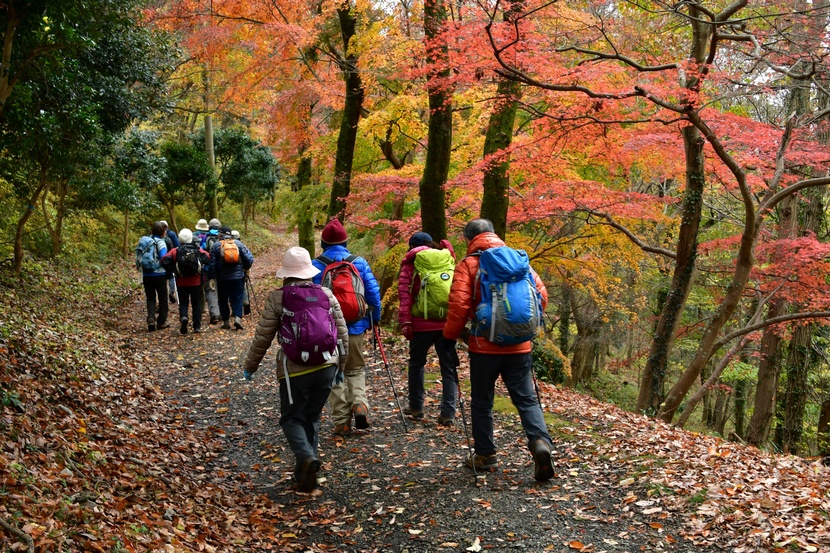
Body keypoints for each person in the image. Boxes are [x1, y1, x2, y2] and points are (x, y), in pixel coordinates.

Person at [442, 218, 555, 482]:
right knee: (526, 399)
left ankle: (485, 454)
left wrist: (449, 338)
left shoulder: (469, 264)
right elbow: (542, 297)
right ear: (494, 234)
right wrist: (521, 327)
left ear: (469, 240)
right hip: (520, 347)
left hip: (484, 347)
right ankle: (540, 443)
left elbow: (458, 306)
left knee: (482, 401)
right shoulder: (519, 261)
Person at [242, 247, 349, 493]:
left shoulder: (278, 297)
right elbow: (341, 334)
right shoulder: (326, 294)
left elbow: (263, 337)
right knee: (311, 416)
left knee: (291, 418)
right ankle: (305, 474)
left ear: (287, 273)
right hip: (326, 366)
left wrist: (250, 367)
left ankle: (306, 458)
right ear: (309, 272)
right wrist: (340, 367)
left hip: (295, 370)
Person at [311, 218, 382, 436]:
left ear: (323, 243)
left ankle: (342, 421)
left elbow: (311, 299)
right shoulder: (358, 262)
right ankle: (359, 403)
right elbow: (373, 294)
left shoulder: (315, 265)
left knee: (334, 373)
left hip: (327, 330)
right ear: (346, 241)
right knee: (355, 369)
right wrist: (374, 319)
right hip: (355, 326)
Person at [398, 231, 458, 425]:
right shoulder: (447, 259)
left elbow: (405, 297)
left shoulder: (410, 264)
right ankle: (448, 413)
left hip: (420, 323)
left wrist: (405, 322)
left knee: (416, 364)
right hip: (446, 323)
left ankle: (416, 408)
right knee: (448, 368)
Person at [161, 228, 210, 334]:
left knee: (183, 303)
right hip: (196, 282)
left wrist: (172, 270)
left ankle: (184, 317)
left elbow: (164, 260)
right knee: (196, 304)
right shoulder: (197, 249)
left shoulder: (176, 251)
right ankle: (197, 326)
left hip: (181, 281)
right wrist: (201, 265)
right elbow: (207, 257)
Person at [210, 225, 254, 330]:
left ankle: (226, 321)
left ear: (220, 234)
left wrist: (212, 278)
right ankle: (238, 318)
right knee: (237, 297)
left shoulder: (216, 246)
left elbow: (212, 264)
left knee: (223, 299)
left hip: (222, 278)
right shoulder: (238, 244)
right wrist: (246, 269)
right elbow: (248, 259)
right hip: (237, 277)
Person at [136, 221, 169, 332]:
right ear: (162, 232)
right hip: (159, 274)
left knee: (150, 297)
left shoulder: (146, 241)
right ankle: (161, 321)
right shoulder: (160, 242)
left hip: (146, 274)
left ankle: (151, 318)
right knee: (163, 297)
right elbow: (164, 258)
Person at [203, 218, 222, 324]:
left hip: (209, 269)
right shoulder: (223, 237)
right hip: (223, 269)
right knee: (222, 290)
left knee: (211, 291)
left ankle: (214, 314)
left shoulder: (205, 238)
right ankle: (223, 313)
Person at [160, 221, 180, 305]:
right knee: (171, 276)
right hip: (170, 258)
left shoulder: (155, 237)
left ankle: (165, 292)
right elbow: (176, 245)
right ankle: (172, 292)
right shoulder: (171, 234)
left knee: (164, 277)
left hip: (161, 260)